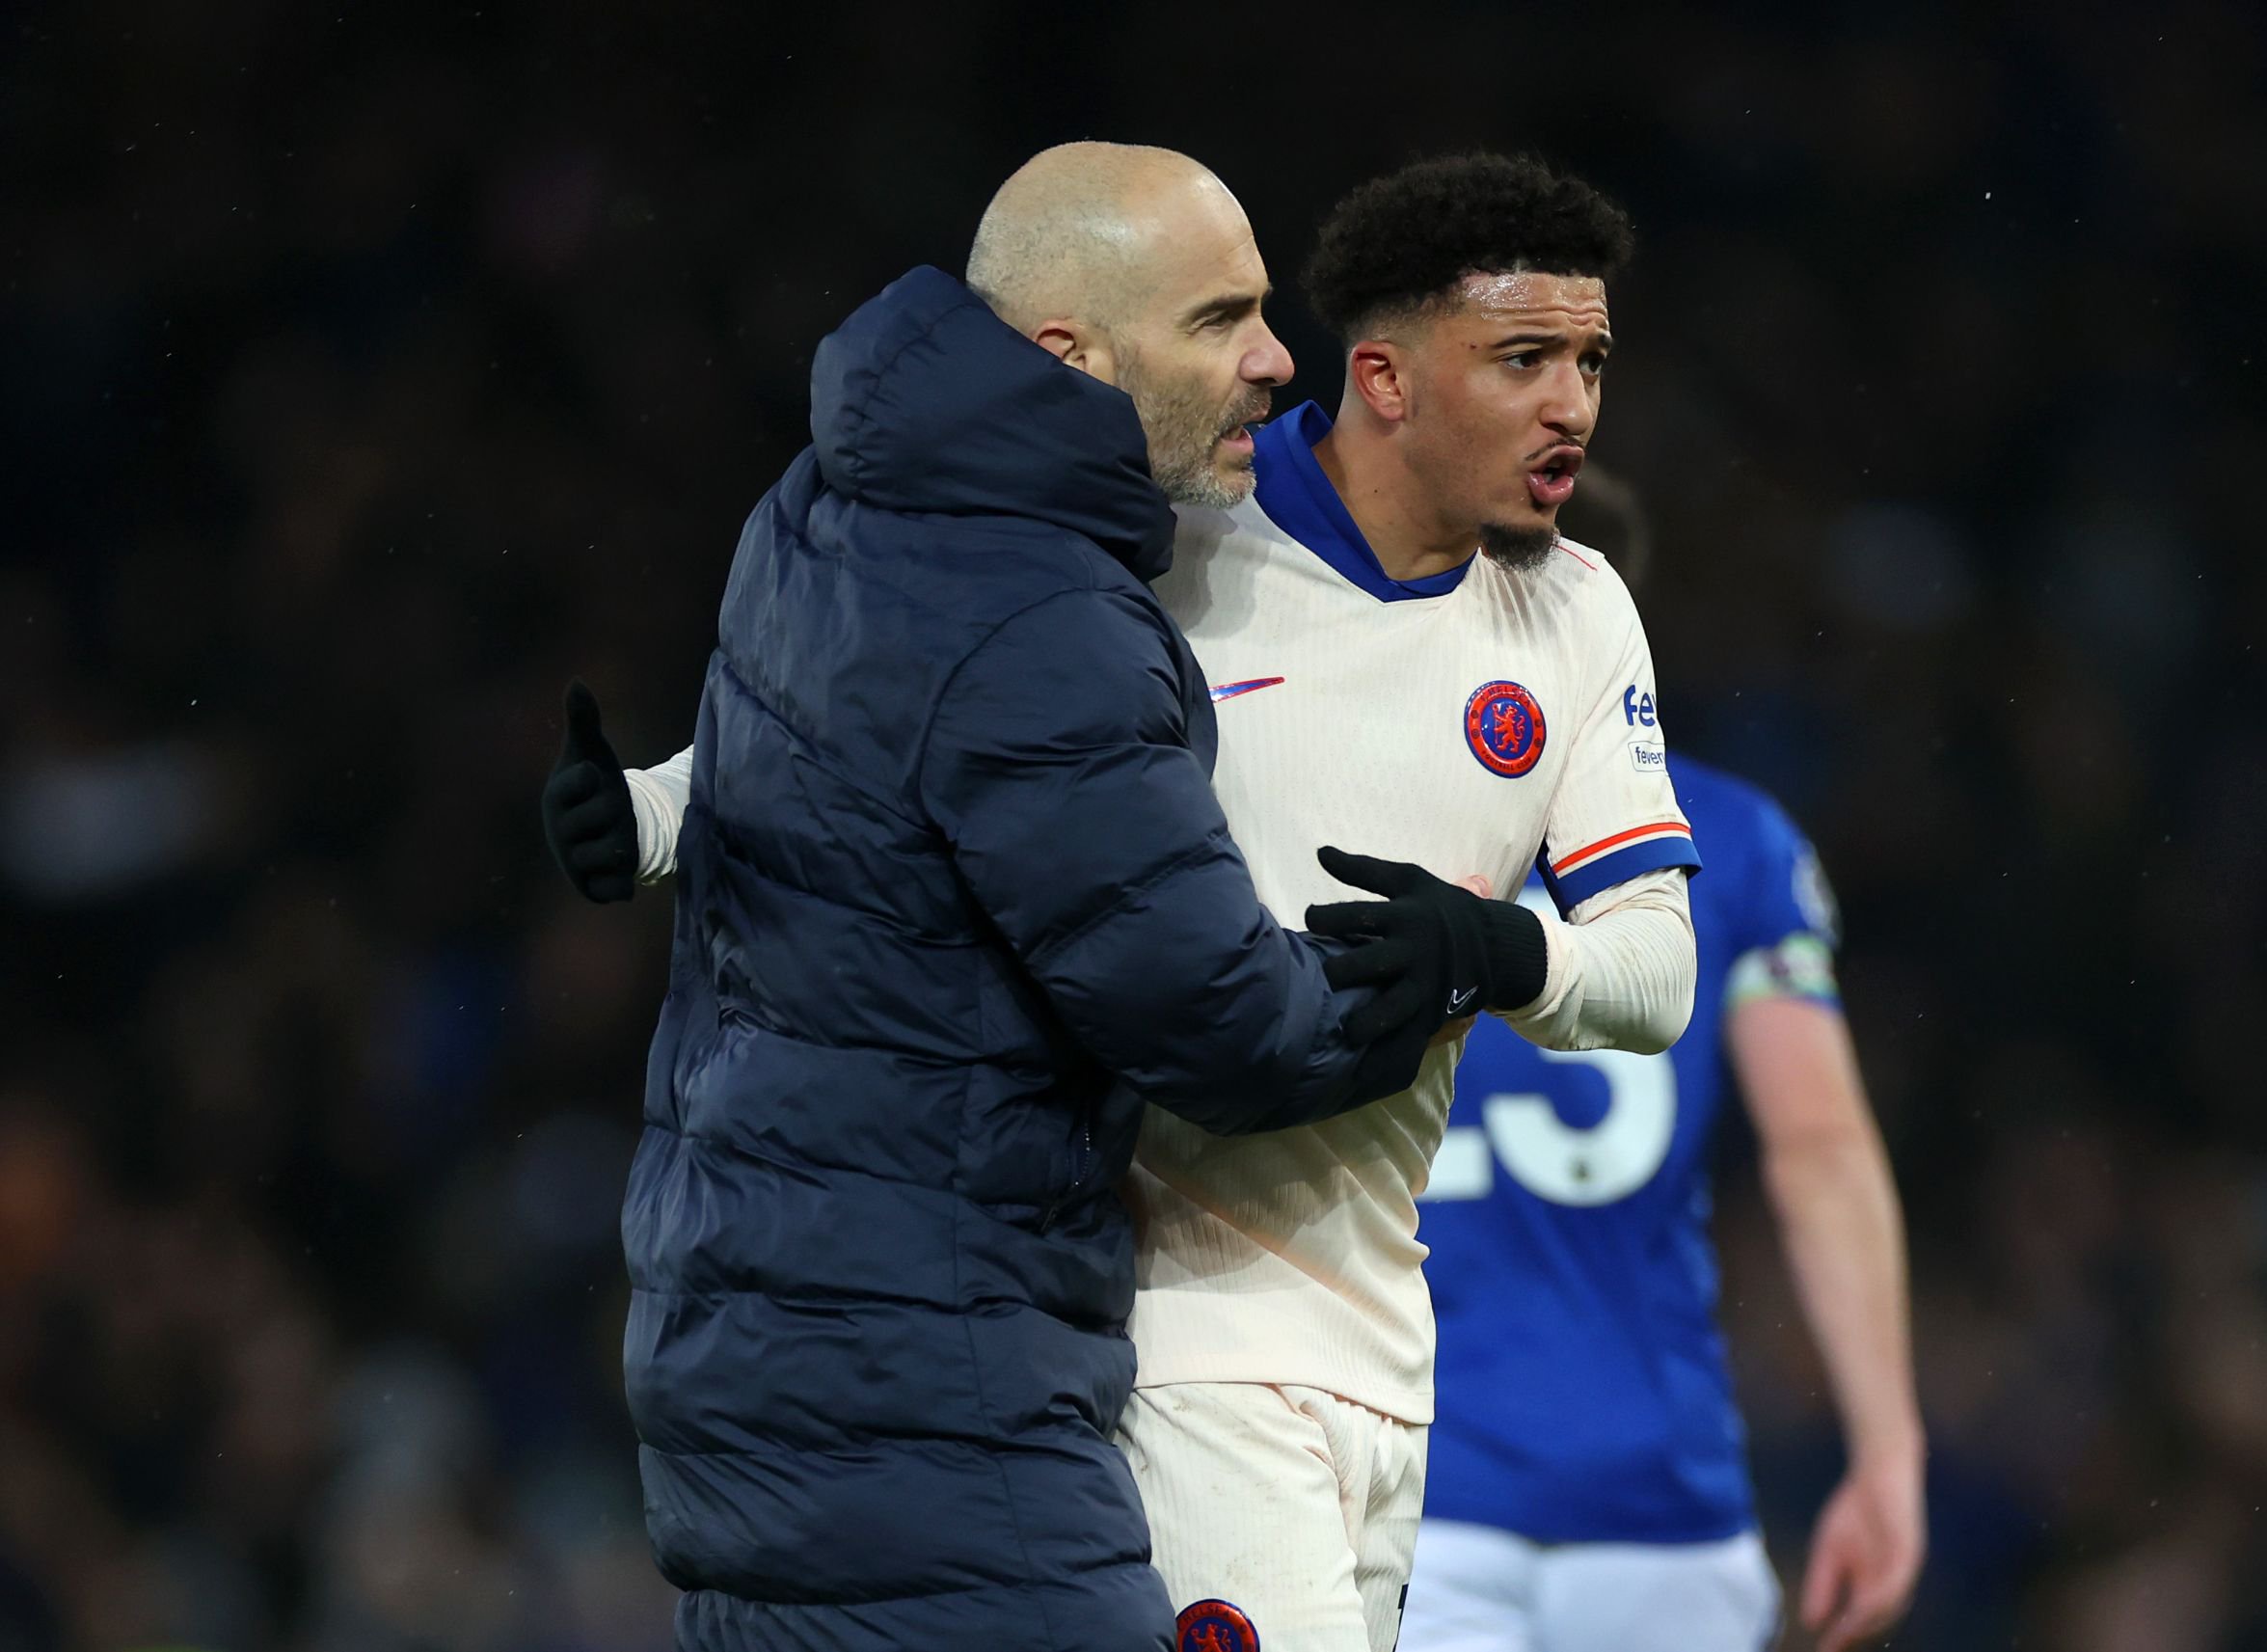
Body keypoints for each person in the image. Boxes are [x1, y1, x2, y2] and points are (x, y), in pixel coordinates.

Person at [557, 154, 1700, 1652]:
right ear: (1386, 377)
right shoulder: (1177, 546)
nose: (1574, 405)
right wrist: (653, 811)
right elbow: (912, 719)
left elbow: (1656, 972)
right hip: (1169, 1321)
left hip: (1385, 1325)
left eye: (1591, 361)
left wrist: (1503, 951)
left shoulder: (1574, 611)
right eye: (1524, 359)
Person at [1401, 482, 1926, 1652]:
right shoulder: (1730, 839)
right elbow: (1821, 1149)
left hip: (1411, 1494)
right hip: (1662, 1508)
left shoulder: (1350, 810)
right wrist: (1887, 1449)